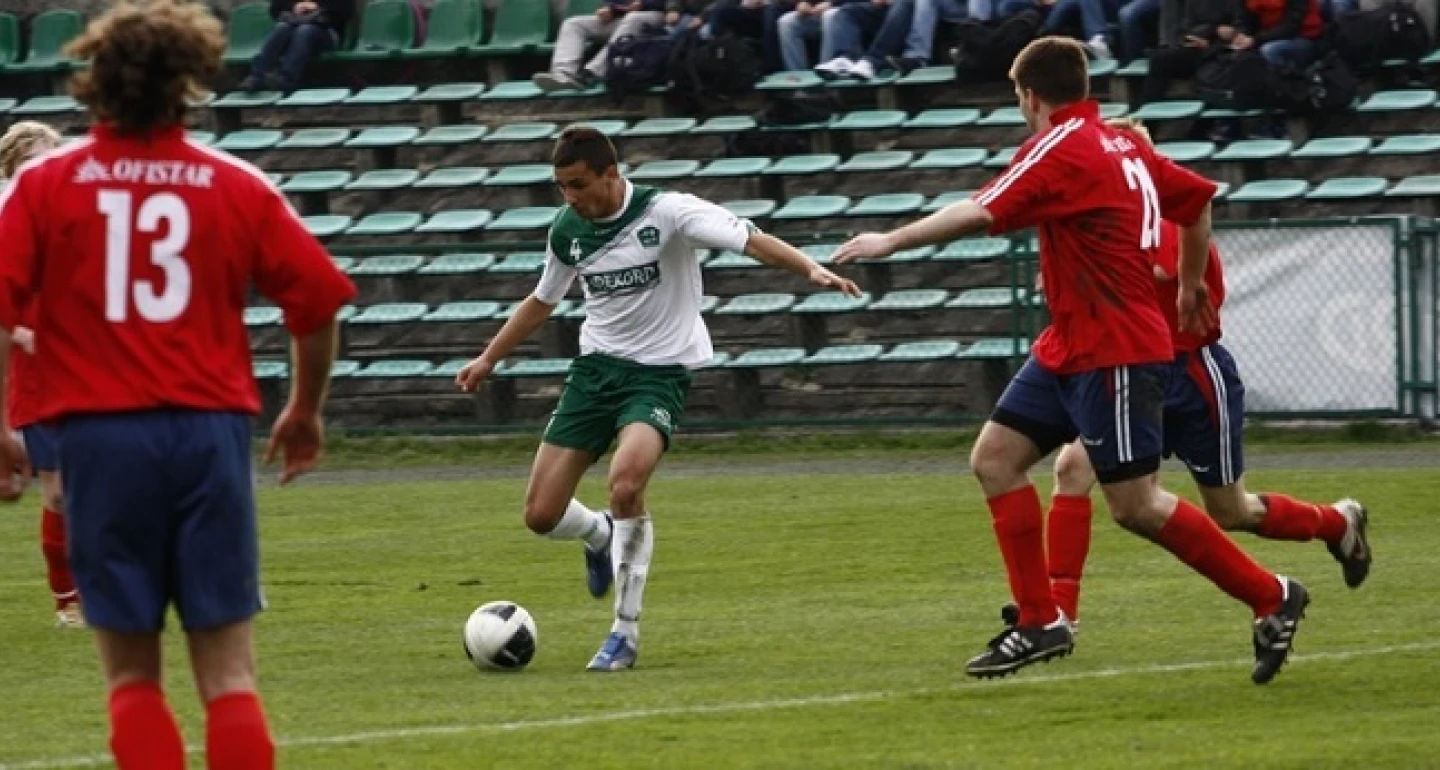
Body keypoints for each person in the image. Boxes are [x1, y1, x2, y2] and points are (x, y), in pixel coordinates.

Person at [835, 36, 1310, 685]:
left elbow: (982, 208)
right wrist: (1189, 284)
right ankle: (1040, 620)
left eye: (1018, 98)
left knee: (1136, 505)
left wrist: (891, 239)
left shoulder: (1064, 144)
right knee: (995, 460)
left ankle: (1271, 595)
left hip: (1115, 349)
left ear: (1029, 95)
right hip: (1070, 343)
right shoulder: (1124, 146)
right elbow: (1197, 200)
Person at [0, 3, 357, 768]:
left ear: (94, 78)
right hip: (206, 435)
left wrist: (0, 427)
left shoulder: (44, 183)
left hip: (97, 438)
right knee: (228, 678)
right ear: (190, 79)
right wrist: (304, 409)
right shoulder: (233, 182)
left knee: (132, 680)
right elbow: (317, 301)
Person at [456, 127, 860, 671]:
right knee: (540, 515)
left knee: (626, 485)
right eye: (561, 186)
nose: (570, 196)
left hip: (658, 375)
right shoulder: (567, 229)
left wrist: (808, 267)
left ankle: (623, 633)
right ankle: (598, 533)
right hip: (595, 373)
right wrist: (489, 358)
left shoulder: (667, 212)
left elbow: (747, 237)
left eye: (579, 184)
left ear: (611, 174)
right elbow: (542, 299)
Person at [1013, 118, 1372, 630]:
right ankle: (1058, 609)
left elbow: (1159, 268)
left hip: (1192, 376)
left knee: (1232, 510)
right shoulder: (1113, 222)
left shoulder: (1157, 218)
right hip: (1129, 371)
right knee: (1073, 469)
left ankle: (1336, 522)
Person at [0, 120, 81, 628]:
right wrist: (22, 333)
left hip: (84, 367)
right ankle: (67, 598)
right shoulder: (6, 219)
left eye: (51, 158)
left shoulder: (77, 215)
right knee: (58, 492)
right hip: (32, 373)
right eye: (32, 159)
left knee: (101, 487)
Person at [533, 1, 668, 91]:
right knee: (573, 23)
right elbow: (614, 2)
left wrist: (645, 3)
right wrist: (607, 9)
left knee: (633, 17)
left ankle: (591, 74)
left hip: (657, 18)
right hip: (622, 18)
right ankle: (563, 74)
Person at [238, 0, 356, 92]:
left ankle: (286, 79)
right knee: (281, 28)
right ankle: (256, 76)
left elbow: (346, 11)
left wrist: (317, 6)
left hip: (328, 31)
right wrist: (294, 6)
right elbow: (275, 9)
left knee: (304, 31)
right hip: (293, 24)